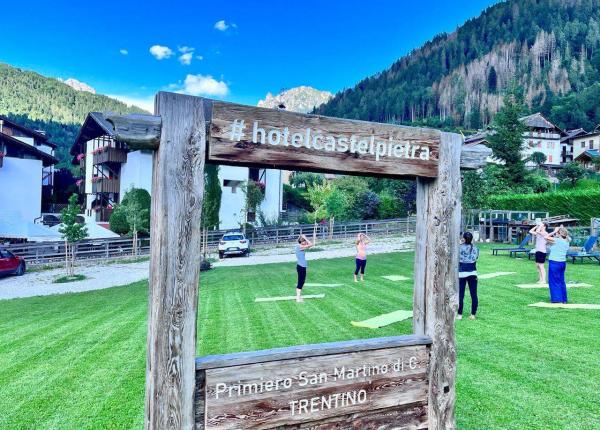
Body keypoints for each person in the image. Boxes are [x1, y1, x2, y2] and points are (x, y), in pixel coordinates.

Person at [458, 232, 479, 320]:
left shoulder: (459, 247)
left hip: (462, 273)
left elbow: (457, 257)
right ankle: (473, 314)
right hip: (473, 273)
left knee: (460, 295)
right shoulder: (475, 248)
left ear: (464, 239)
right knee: (473, 294)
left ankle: (459, 314)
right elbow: (475, 258)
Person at [546, 226, 571, 304]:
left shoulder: (556, 240)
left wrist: (554, 231)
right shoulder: (568, 240)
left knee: (553, 281)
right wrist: (560, 230)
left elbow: (546, 237)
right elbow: (566, 236)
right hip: (562, 263)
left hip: (554, 263)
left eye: (557, 232)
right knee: (561, 281)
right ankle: (564, 299)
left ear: (559, 233)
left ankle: (557, 299)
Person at [295, 234, 313, 302]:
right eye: (304, 241)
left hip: (302, 266)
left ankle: (299, 297)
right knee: (300, 282)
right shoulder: (299, 246)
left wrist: (305, 238)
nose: (305, 242)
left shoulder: (301, 246)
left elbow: (310, 245)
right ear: (301, 241)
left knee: (302, 282)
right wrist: (305, 238)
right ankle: (297, 298)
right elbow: (311, 244)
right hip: (301, 267)